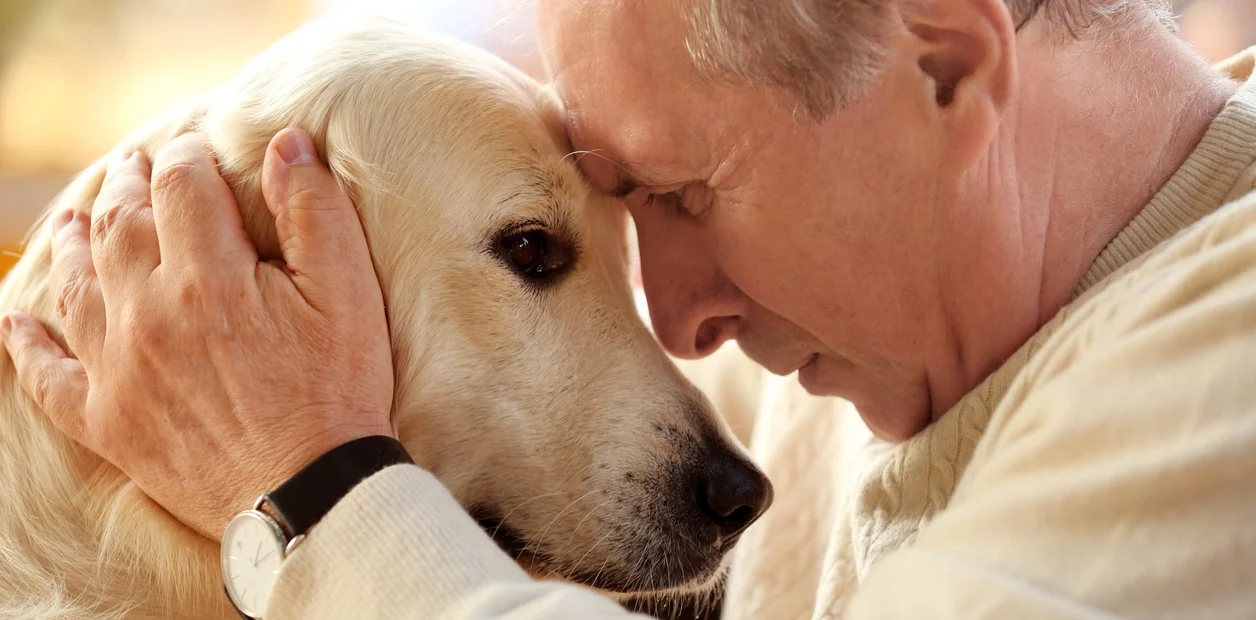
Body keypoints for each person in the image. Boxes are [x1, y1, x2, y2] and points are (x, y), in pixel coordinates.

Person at [3, 0, 1256, 617]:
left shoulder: (1224, 365)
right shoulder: (859, 344)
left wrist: (310, 487)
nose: (682, 317)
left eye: (688, 192)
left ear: (942, 61)